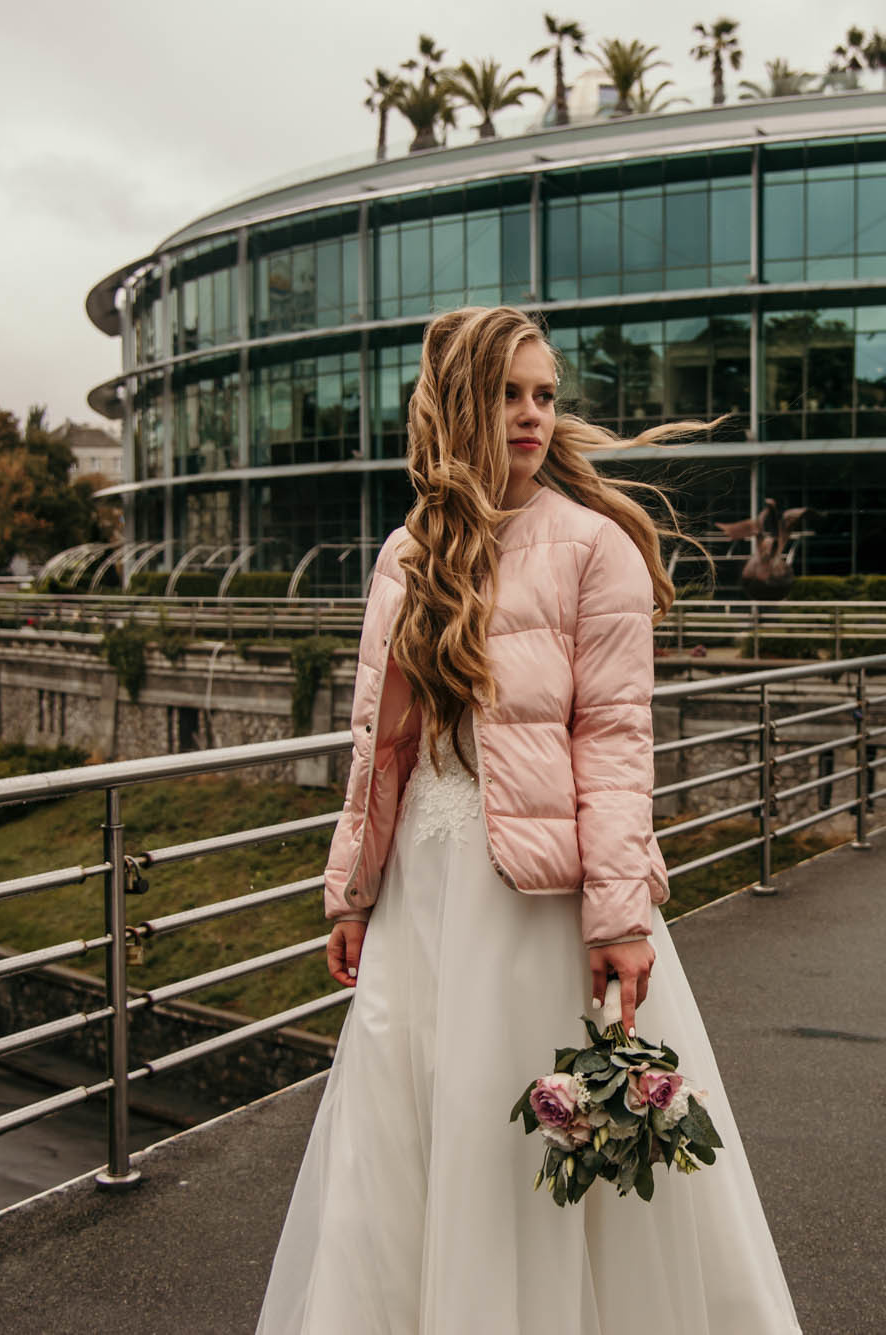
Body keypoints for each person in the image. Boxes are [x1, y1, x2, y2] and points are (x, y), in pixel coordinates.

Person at [255, 306, 801, 1334]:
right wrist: (352, 892)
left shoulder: (594, 548)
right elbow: (378, 748)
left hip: (539, 897)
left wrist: (620, 915)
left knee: (521, 1131)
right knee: (408, 1131)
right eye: (509, 392)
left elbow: (614, 744)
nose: (531, 414)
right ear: (461, 401)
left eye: (545, 395)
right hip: (422, 883)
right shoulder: (406, 553)